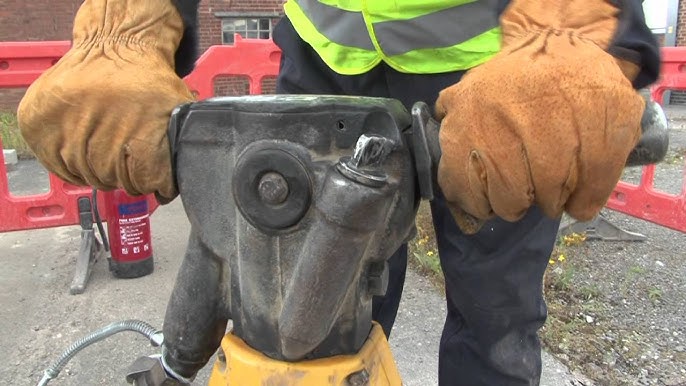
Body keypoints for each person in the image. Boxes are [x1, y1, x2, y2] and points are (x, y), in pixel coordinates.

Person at [17, 0, 660, 385]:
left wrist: (571, 38)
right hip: (326, 62)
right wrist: (121, 33)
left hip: (498, 74)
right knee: (308, 304)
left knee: (495, 314)